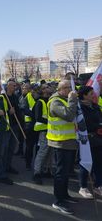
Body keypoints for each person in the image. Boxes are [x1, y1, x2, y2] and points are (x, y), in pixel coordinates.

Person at [47, 80, 78, 215]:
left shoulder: (64, 99)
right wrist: (72, 100)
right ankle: (58, 201)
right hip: (59, 142)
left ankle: (64, 195)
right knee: (60, 172)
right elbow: (69, 116)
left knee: (66, 171)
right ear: (61, 89)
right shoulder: (55, 102)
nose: (71, 90)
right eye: (69, 88)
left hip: (68, 141)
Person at [78, 86, 102, 199]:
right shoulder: (79, 108)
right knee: (86, 163)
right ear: (84, 95)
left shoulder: (96, 107)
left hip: (98, 138)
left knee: (99, 162)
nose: (94, 95)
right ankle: (83, 187)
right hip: (86, 139)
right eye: (91, 93)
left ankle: (98, 185)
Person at [32, 84, 53, 185]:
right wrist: (50, 121)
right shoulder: (39, 102)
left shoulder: (50, 100)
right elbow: (38, 117)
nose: (49, 88)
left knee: (50, 152)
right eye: (46, 87)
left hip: (51, 130)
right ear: (43, 90)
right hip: (43, 130)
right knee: (42, 152)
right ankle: (37, 173)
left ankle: (46, 170)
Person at [4, 80, 22, 174]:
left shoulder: (15, 97)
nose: (14, 87)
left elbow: (18, 110)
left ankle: (8, 166)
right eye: (12, 85)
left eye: (15, 86)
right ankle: (2, 167)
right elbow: (0, 111)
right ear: (7, 86)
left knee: (11, 148)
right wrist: (8, 112)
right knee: (5, 148)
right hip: (7, 126)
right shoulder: (3, 97)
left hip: (15, 125)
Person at [22, 84, 40, 170]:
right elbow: (24, 109)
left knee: (38, 146)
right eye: (34, 90)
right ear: (31, 90)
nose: (35, 92)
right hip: (29, 126)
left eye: (37, 91)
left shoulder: (39, 98)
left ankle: (37, 163)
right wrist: (35, 115)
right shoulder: (27, 98)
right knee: (29, 146)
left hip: (39, 126)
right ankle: (28, 163)